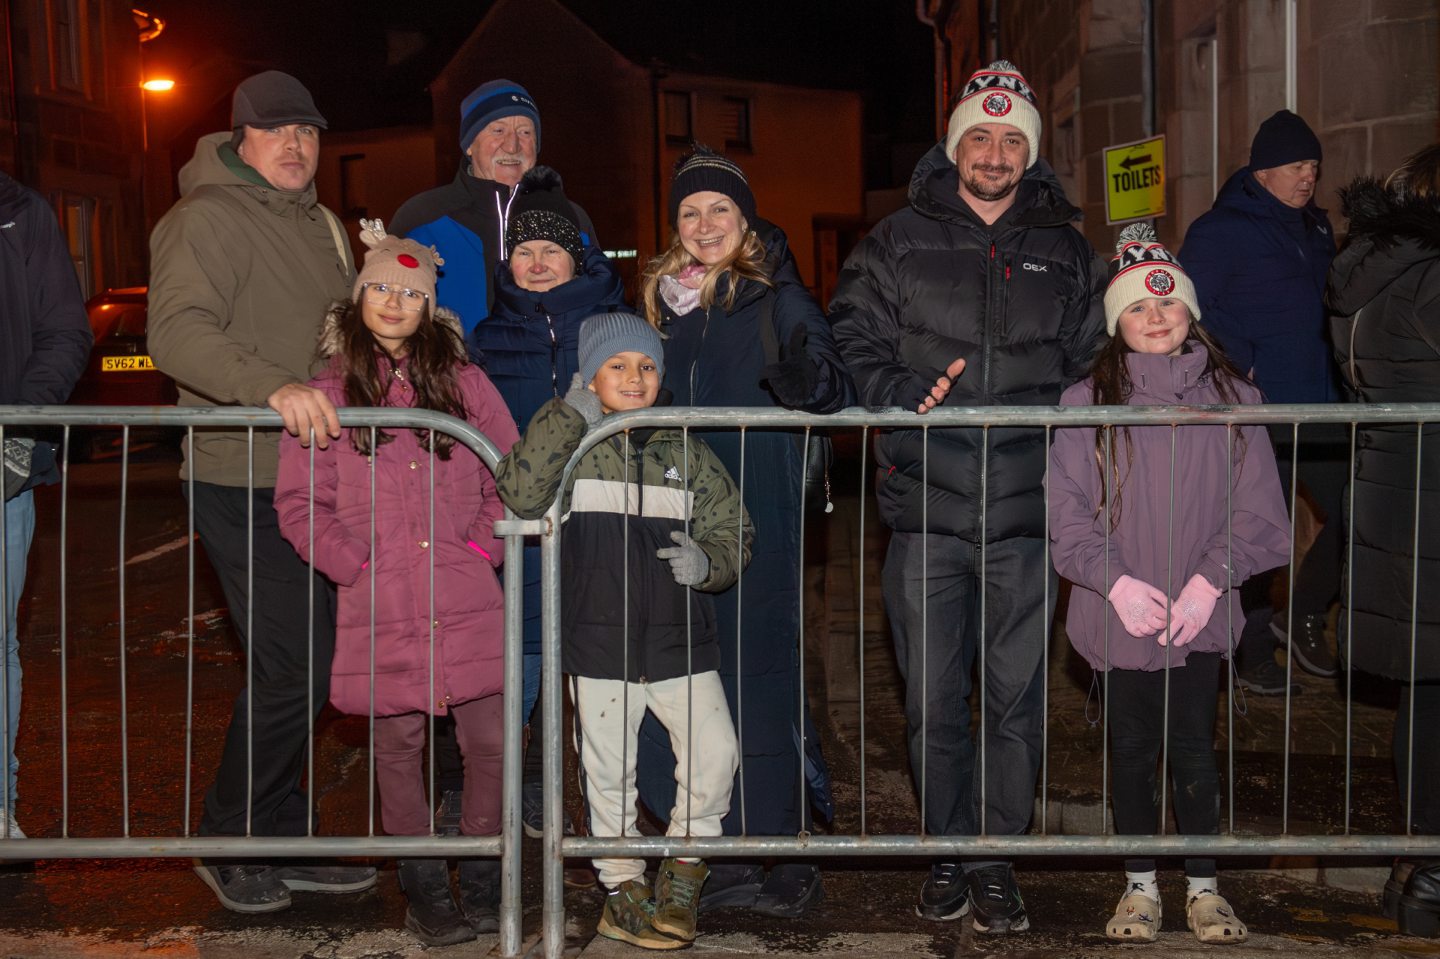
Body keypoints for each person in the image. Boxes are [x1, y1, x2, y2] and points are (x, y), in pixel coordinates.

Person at [829, 59, 1106, 932]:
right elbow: (851, 332)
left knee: (1016, 699)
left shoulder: (1066, 250)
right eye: (979, 137)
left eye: (1010, 139)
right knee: (931, 697)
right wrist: (895, 387)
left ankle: (995, 854)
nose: (994, 152)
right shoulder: (896, 241)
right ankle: (945, 846)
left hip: (1029, 514)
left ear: (1030, 152)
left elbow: (1098, 358)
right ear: (954, 147)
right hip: (927, 510)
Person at [147, 70, 375, 912]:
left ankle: (284, 831)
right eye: (277, 130)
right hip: (243, 474)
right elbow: (175, 331)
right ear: (240, 138)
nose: (296, 145)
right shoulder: (203, 217)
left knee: (315, 662)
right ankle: (230, 833)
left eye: (307, 131)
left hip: (321, 475)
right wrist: (270, 387)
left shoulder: (322, 223)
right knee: (294, 665)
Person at [273, 221, 520, 946]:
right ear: (357, 296)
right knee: (398, 748)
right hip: (381, 602)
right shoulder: (327, 391)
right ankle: (423, 886)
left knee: (491, 744)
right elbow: (301, 503)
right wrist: (357, 565)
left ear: (429, 306)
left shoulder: (466, 383)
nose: (393, 301)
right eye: (380, 286)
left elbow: (511, 473)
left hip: (466, 595)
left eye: (410, 293)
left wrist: (479, 548)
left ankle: (485, 874)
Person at [1048, 223, 1290, 945]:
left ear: (1191, 311)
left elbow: (1259, 509)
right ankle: (1140, 885)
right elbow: (1066, 510)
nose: (1156, 317)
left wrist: (1213, 580)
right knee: (1130, 747)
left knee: (1192, 745)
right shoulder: (1085, 402)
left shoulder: (1237, 398)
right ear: (1115, 322)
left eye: (1168, 303)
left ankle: (1206, 887)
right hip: (1121, 604)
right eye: (1137, 307)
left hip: (1196, 605)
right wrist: (1113, 581)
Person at [636, 146, 854, 918]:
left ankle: (786, 848)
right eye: (689, 212)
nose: (704, 225)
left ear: (746, 220)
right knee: (684, 683)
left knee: (759, 679)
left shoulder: (772, 294)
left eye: (719, 210)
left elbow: (830, 371)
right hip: (678, 511)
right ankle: (710, 847)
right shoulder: (662, 308)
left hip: (758, 513)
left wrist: (809, 380)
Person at [494, 313, 752, 950]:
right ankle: (622, 889)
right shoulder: (573, 446)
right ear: (590, 375)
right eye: (617, 365)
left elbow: (733, 527)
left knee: (716, 751)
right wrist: (570, 415)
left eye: (646, 366)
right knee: (608, 772)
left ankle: (685, 871)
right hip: (597, 638)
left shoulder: (685, 447)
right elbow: (521, 494)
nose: (635, 377)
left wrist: (709, 563)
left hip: (679, 637)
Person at [466, 167, 628, 859]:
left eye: (551, 250)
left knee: (602, 685)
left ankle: (602, 820)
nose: (536, 263)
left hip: (601, 530)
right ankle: (518, 791)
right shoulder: (486, 336)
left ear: (577, 258)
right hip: (522, 538)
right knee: (521, 676)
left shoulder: (614, 328)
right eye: (524, 251)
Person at [1180, 109, 1342, 692]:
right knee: (1254, 534)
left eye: (1314, 166)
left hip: (1322, 407)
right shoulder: (1219, 230)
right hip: (1258, 412)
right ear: (1263, 171)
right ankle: (1251, 654)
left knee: (1361, 513)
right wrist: (1238, 362)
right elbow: (1189, 307)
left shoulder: (1317, 228)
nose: (1308, 177)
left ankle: (1301, 614)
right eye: (1296, 166)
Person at [1328, 144, 1440, 938]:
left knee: (1427, 688)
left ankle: (1419, 865)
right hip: (1430, 490)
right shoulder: (1432, 276)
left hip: (1397, 490)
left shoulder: (1369, 269)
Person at [0, 169, 92, 840]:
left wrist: (15, 429)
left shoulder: (18, 212)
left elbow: (64, 331)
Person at [390, 79, 596, 331]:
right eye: (498, 130)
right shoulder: (421, 219)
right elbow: (385, 313)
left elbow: (599, 307)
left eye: (525, 132)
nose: (512, 146)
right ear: (469, 145)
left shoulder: (572, 219)